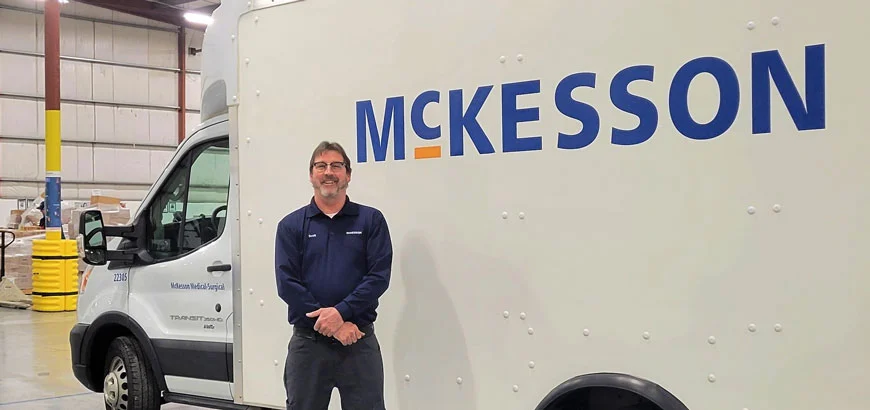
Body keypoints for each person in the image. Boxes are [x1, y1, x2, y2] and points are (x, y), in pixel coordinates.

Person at [275, 140, 393, 410]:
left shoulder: (370, 221)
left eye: (336, 166)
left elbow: (378, 277)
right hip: (309, 346)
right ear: (311, 175)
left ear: (348, 175)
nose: (329, 172)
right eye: (321, 166)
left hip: (358, 342)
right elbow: (287, 284)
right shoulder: (291, 226)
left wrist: (341, 312)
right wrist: (335, 324)